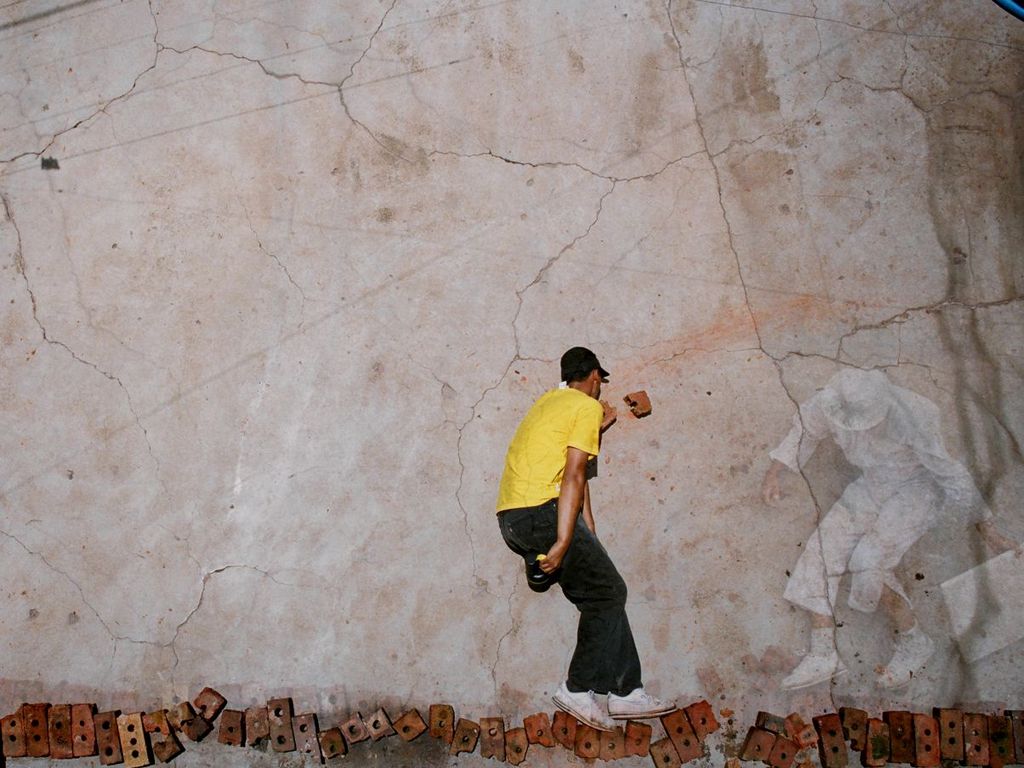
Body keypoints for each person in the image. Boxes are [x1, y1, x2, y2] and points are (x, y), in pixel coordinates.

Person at [762, 368, 1013, 689]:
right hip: (875, 480)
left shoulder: (916, 415)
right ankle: (824, 652)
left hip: (919, 487)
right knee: (822, 548)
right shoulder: (833, 401)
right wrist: (775, 473)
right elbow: (805, 431)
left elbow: (952, 475)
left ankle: (914, 641)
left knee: (868, 561)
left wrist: (988, 530)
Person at [495, 347, 675, 732]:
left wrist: (586, 530)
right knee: (610, 593)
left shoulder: (548, 403)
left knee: (602, 594)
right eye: (599, 382)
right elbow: (573, 476)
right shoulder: (585, 407)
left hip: (513, 518)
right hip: (543, 513)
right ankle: (578, 688)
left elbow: (569, 472)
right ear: (595, 377)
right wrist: (563, 542)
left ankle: (627, 693)